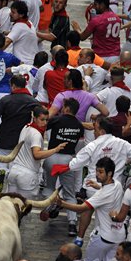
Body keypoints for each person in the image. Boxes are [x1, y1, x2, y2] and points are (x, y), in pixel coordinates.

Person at [56, 157, 126, 261]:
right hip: (117, 237)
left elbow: (81, 208)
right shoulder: (117, 184)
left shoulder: (102, 195)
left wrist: (62, 203)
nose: (97, 175)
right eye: (97, 171)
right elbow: (107, 191)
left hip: (103, 238)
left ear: (110, 173)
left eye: (101, 172)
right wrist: (97, 186)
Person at [52, 117, 131, 197]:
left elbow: (74, 165)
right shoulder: (123, 144)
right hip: (114, 189)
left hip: (93, 188)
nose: (93, 132)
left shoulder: (92, 146)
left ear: (102, 131)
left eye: (95, 129)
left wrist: (58, 165)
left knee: (86, 212)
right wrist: (125, 161)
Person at [0, 75, 39, 192]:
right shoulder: (33, 102)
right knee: (15, 167)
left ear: (14, 86)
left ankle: (1, 172)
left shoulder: (6, 100)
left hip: (4, 138)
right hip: (21, 141)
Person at [43, 98, 84, 236]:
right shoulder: (79, 125)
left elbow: (42, 127)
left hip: (52, 157)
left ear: (66, 108)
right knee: (70, 193)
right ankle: (72, 224)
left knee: (49, 187)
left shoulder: (57, 120)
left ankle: (47, 209)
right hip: (68, 161)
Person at [7, 105, 67, 198]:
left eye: (47, 120)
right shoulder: (36, 134)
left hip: (14, 171)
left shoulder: (25, 127)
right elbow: (36, 154)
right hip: (27, 176)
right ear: (34, 118)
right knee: (23, 208)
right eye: (42, 119)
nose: (45, 123)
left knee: (9, 205)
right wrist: (55, 149)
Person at [71, 0, 121, 64]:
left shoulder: (96, 20)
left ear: (102, 5)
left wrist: (77, 29)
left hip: (100, 56)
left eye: (96, 4)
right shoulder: (117, 18)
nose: (94, 7)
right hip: (115, 55)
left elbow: (82, 37)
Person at [0, 33, 21, 115]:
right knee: (4, 117)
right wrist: (13, 70)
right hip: (6, 92)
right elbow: (22, 65)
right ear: (4, 44)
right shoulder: (10, 57)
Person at [3, 0, 39, 65]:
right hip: (31, 62)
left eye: (13, 12)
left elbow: (7, 41)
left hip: (23, 64)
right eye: (11, 11)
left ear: (21, 15)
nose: (10, 14)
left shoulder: (19, 26)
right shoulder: (29, 23)